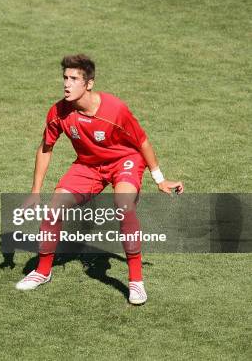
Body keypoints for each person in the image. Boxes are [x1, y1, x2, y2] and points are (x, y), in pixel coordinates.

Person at [15, 54, 183, 305]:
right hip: (88, 165)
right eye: (65, 78)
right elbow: (45, 148)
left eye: (74, 79)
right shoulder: (58, 112)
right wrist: (36, 190)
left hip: (124, 160)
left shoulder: (115, 109)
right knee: (53, 211)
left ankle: (136, 281)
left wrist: (159, 178)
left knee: (123, 205)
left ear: (89, 83)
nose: (66, 84)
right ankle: (42, 271)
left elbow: (142, 142)